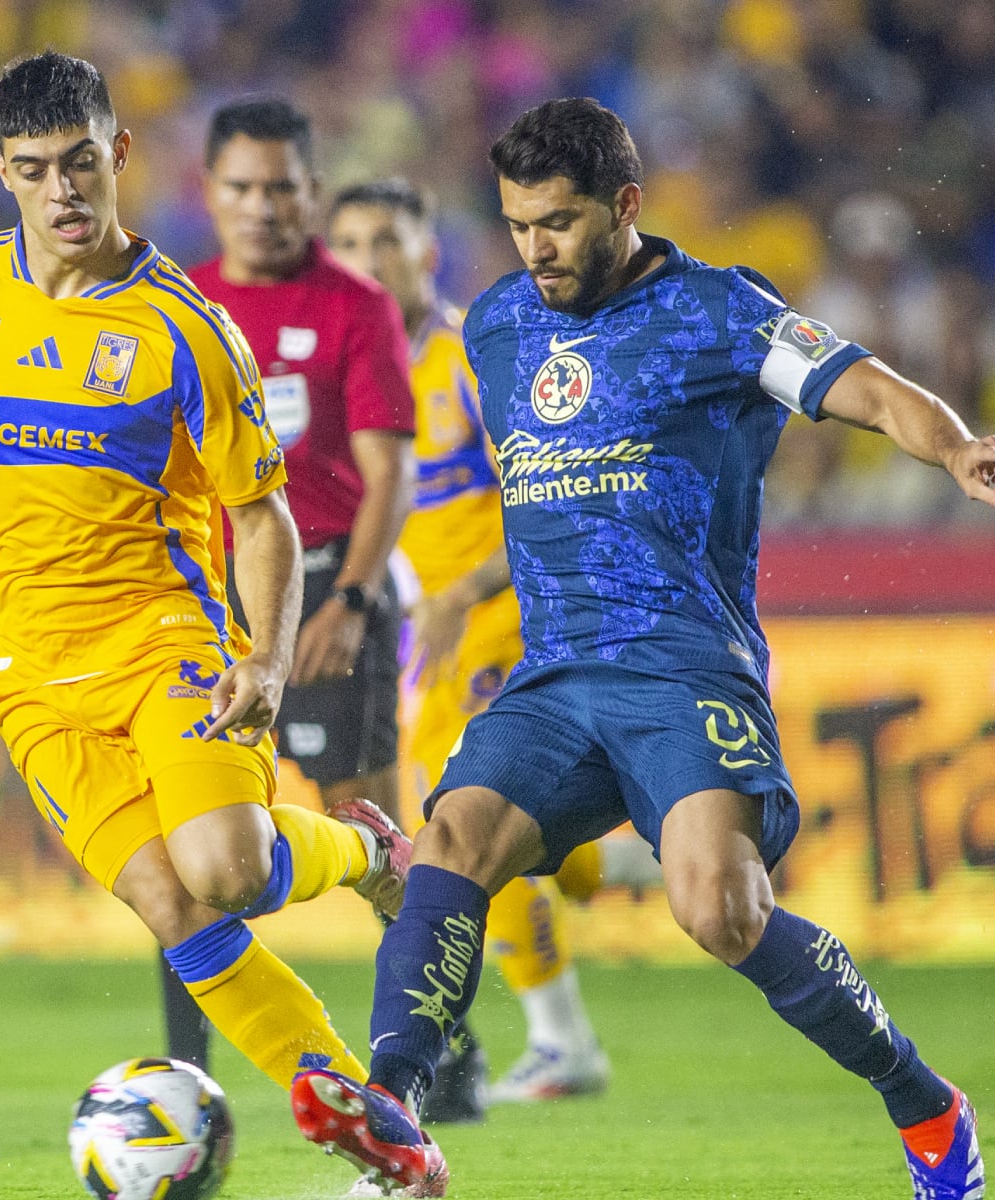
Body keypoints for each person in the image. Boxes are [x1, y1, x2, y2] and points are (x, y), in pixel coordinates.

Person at [291, 97, 995, 1200]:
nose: (536, 249)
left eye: (558, 222)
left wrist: (959, 447)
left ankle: (925, 1103)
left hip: (683, 667)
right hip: (553, 676)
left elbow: (874, 392)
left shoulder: (721, 311)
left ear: (625, 205)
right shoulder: (497, 327)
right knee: (450, 841)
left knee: (719, 911)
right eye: (517, 225)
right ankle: (395, 1111)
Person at [0, 50, 411, 1098]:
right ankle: (374, 1122)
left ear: (118, 152)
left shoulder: (185, 329)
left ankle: (368, 854)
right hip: (31, 674)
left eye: (79, 162)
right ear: (2, 172)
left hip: (163, 644)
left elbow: (261, 515)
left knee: (227, 870)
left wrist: (264, 658)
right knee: (174, 906)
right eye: (33, 169)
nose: (61, 191)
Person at [327, 179, 663, 1109]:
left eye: (386, 240)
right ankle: (677, 851)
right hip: (430, 634)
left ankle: (563, 1044)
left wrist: (462, 593)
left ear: (427, 254)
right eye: (347, 244)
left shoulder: (472, 362)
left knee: (467, 821)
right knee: (524, 839)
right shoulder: (355, 371)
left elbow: (553, 488)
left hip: (506, 618)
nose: (367, 261)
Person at [153, 97, 420, 1077]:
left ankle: (430, 1055)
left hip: (327, 586)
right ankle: (189, 1074)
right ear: (209, 192)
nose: (261, 206)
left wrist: (350, 598)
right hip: (203, 598)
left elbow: (388, 472)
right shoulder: (176, 303)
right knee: (185, 836)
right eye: (241, 187)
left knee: (368, 825)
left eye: (280, 187)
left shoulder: (355, 304)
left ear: (312, 191)